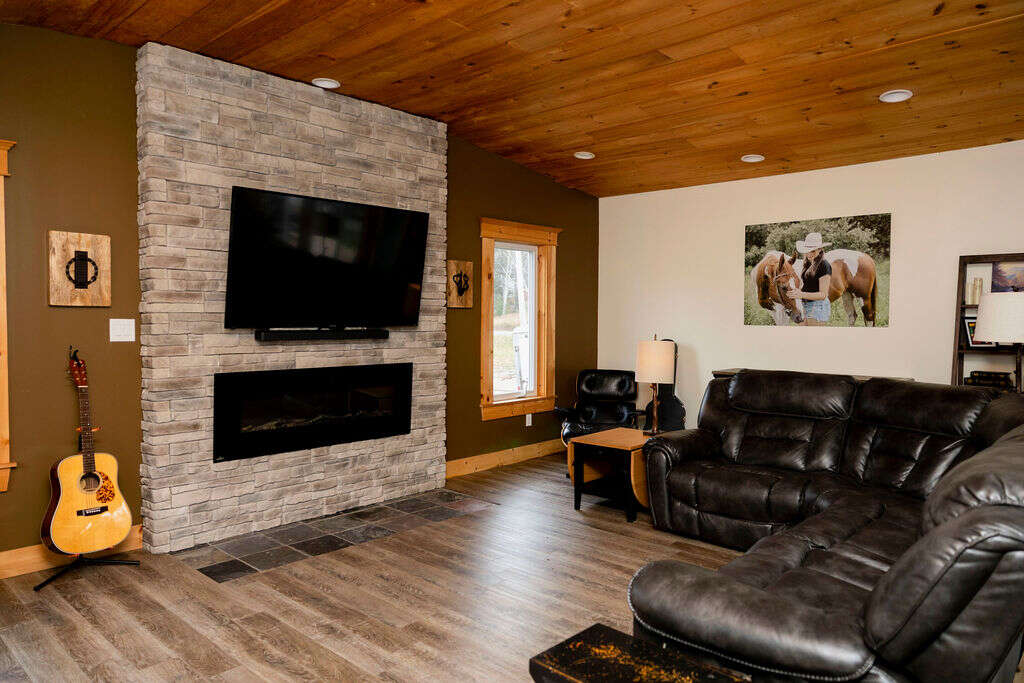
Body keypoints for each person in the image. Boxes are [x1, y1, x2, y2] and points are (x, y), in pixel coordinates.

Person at [788, 232, 832, 325]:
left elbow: (823, 295)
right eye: (807, 250)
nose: (809, 254)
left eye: (813, 251)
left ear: (820, 249)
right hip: (806, 304)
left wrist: (801, 294)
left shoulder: (824, 265)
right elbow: (809, 286)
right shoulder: (808, 264)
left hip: (817, 306)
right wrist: (796, 291)